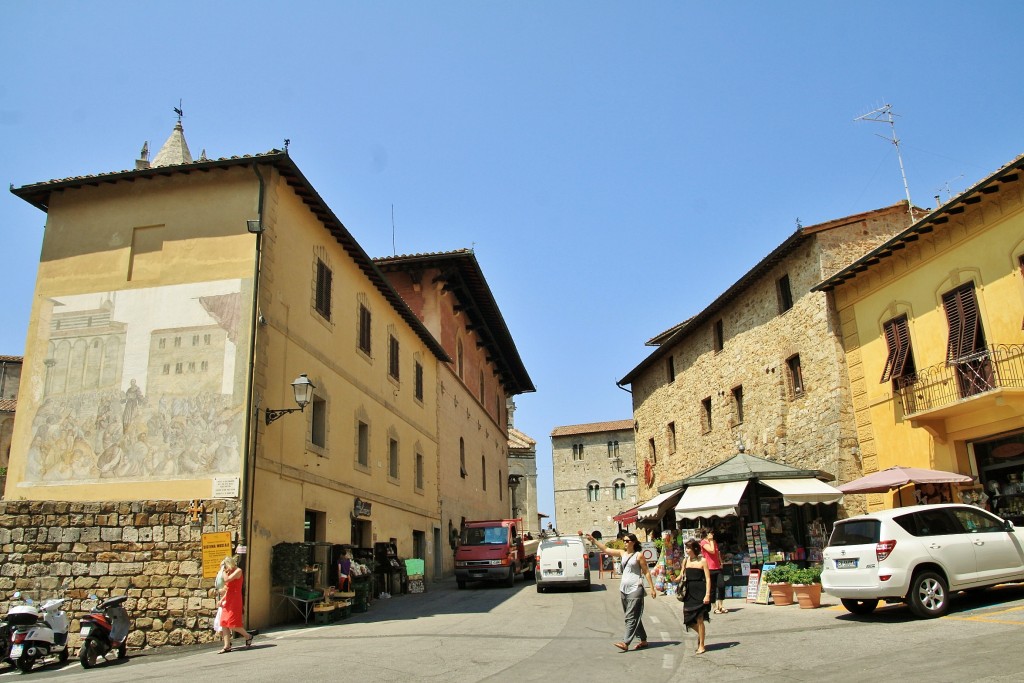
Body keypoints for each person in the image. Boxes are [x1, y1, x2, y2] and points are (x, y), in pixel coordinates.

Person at [587, 532, 657, 652]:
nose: (625, 543)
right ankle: (643, 640)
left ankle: (625, 642)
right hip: (624, 589)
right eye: (624, 541)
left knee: (630, 616)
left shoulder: (638, 556)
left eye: (627, 541)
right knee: (633, 616)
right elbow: (606, 549)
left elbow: (646, 572)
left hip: (636, 588)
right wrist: (594, 540)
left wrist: (652, 588)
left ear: (633, 542)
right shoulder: (622, 553)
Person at [217, 556, 254, 653]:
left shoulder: (238, 571)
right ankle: (227, 646)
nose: (225, 569)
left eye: (226, 566)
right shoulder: (228, 572)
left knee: (233, 624)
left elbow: (227, 580)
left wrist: (223, 571)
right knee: (224, 622)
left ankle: (248, 636)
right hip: (228, 599)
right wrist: (222, 599)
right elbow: (228, 589)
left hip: (235, 599)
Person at [681, 539, 712, 654]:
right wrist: (673, 578)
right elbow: (681, 575)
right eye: (686, 548)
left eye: (688, 548)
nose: (687, 551)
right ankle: (701, 633)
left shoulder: (702, 561)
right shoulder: (685, 561)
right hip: (689, 592)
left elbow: (708, 579)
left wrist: (707, 594)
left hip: (700, 591)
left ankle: (702, 645)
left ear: (694, 549)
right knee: (687, 618)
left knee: (700, 619)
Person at [700, 528, 726, 614]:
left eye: (712, 533)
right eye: (710, 533)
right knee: (712, 588)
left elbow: (716, 552)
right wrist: (710, 541)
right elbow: (711, 550)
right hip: (709, 568)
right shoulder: (703, 542)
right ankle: (714, 606)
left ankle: (721, 605)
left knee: (721, 585)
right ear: (706, 534)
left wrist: (721, 561)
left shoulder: (714, 542)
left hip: (717, 567)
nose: (712, 535)